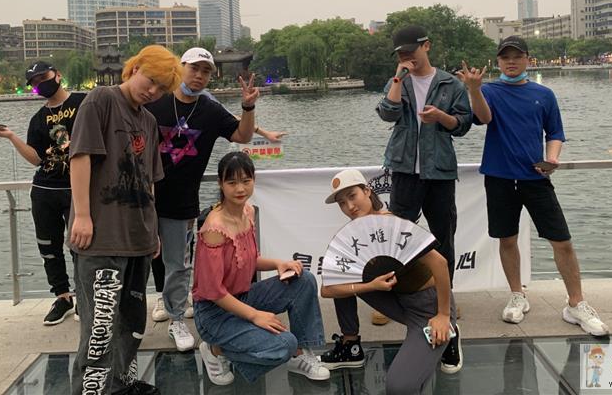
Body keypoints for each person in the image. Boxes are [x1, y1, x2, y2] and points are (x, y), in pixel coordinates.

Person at [320, 25, 469, 373]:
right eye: (400, 54)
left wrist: (441, 117)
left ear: (426, 46)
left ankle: (446, 310)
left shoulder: (450, 84)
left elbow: (463, 124)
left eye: (410, 51)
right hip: (403, 169)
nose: (406, 57)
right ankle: (394, 297)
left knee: (442, 239)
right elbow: (386, 113)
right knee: (392, 239)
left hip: (439, 171)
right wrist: (398, 80)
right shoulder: (397, 81)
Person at [457, 35, 609, 336]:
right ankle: (517, 294)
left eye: (517, 56)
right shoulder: (489, 91)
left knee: (562, 241)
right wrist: (473, 89)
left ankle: (576, 303)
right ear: (498, 61)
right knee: (507, 239)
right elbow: (484, 118)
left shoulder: (544, 94)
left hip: (535, 178)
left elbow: (555, 133)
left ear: (528, 59)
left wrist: (551, 159)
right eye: (505, 57)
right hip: (500, 177)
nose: (511, 62)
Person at [68, 44, 181, 395]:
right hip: (101, 237)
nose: (152, 91)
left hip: (138, 238)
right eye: (150, 80)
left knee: (132, 322)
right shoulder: (101, 100)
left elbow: (149, 180)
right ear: (134, 68)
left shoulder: (148, 121)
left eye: (161, 88)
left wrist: (153, 229)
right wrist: (82, 215)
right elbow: (80, 157)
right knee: (99, 328)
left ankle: (121, 384)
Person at [144, 48, 259, 351]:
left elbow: (243, 136)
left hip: (181, 201)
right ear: (180, 67)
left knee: (179, 264)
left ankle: (176, 318)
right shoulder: (154, 102)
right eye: (194, 68)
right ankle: (128, 321)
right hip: (142, 199)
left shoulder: (210, 110)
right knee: (136, 262)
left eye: (206, 71)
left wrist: (248, 107)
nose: (199, 75)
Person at [192, 152, 330, 386]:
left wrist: (278, 264)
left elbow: (248, 258)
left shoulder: (247, 212)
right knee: (284, 344)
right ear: (220, 184)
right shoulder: (214, 229)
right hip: (214, 313)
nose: (240, 189)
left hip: (243, 296)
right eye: (232, 182)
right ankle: (216, 350)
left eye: (246, 181)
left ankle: (300, 355)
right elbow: (213, 291)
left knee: (304, 280)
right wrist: (255, 316)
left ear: (254, 180)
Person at [320, 169, 454, 395]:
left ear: (367, 191)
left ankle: (450, 331)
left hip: (428, 307)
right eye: (342, 203)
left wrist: (443, 315)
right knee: (343, 279)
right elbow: (327, 289)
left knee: (398, 387)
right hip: (396, 300)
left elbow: (440, 263)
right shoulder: (354, 235)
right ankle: (350, 346)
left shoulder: (391, 223)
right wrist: (370, 286)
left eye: (352, 196)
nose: (349, 206)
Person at [0, 61, 85, 326]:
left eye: (44, 77)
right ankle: (63, 297)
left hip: (77, 189)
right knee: (48, 247)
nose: (41, 84)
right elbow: (36, 159)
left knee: (81, 246)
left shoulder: (84, 103)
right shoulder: (38, 119)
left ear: (58, 74)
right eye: (35, 82)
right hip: (44, 190)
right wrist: (11, 137)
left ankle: (85, 297)